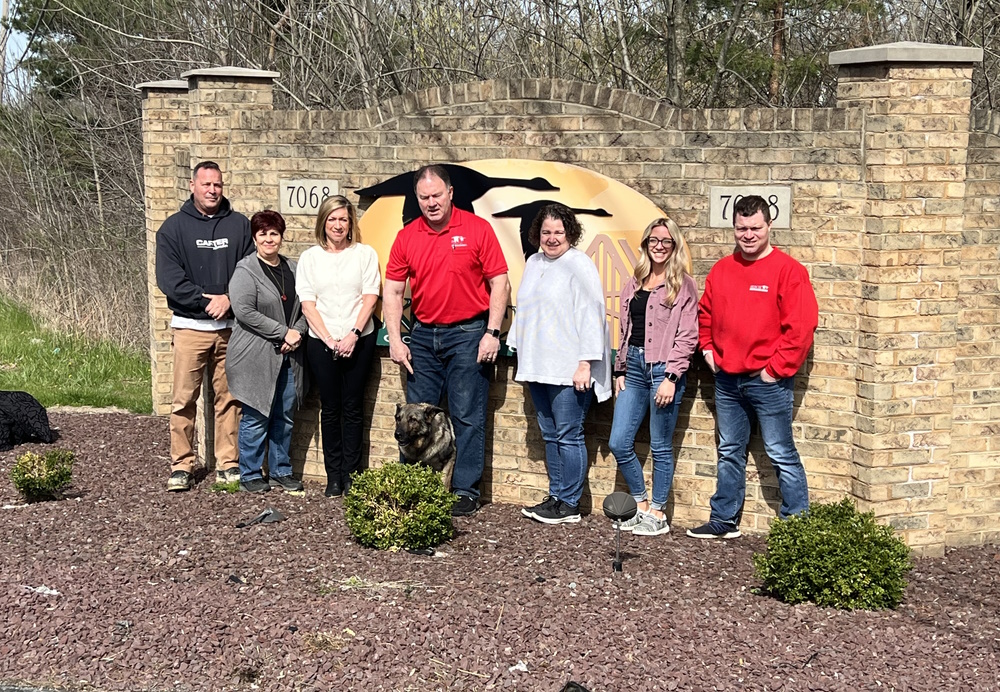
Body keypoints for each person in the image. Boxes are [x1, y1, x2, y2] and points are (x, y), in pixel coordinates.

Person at [688, 195, 819, 539]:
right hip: (728, 379)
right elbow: (705, 315)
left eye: (755, 228)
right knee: (729, 451)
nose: (748, 234)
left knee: (780, 453)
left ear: (769, 226)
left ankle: (797, 530)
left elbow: (802, 327)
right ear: (733, 228)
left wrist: (775, 370)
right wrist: (708, 351)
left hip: (768, 382)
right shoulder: (722, 269)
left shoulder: (788, 271)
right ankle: (723, 520)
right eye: (741, 228)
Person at [384, 165, 511, 516]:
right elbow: (393, 291)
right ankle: (416, 488)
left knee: (468, 416)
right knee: (413, 417)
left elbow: (500, 282)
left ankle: (465, 491)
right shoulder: (407, 236)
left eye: (436, 195)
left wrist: (492, 332)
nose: (431, 203)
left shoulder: (477, 229)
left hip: (469, 334)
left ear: (450, 193)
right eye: (423, 197)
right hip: (423, 336)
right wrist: (396, 339)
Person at [508, 204, 611, 525]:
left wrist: (586, 363)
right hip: (539, 365)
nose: (552, 239)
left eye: (558, 233)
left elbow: (593, 315)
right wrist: (515, 345)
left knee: (568, 435)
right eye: (546, 233)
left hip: (570, 369)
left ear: (570, 234)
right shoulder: (533, 262)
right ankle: (556, 496)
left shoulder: (579, 265)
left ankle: (569, 503)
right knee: (550, 435)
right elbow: (525, 311)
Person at [155, 161, 253, 492]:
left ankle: (228, 463)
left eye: (218, 185)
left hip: (231, 330)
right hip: (189, 329)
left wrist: (229, 298)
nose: (212, 190)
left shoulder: (240, 226)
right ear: (192, 186)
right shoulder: (173, 229)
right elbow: (169, 280)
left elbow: (249, 271)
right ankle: (182, 465)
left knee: (230, 399)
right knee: (184, 399)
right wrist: (205, 300)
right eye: (206, 184)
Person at [608, 217, 698, 536]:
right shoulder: (635, 281)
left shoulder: (683, 285)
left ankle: (658, 514)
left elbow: (687, 335)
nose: (659, 247)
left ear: (674, 246)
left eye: (666, 242)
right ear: (646, 244)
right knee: (619, 441)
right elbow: (624, 328)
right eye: (653, 241)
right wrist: (619, 368)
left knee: (660, 445)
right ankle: (642, 504)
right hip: (632, 368)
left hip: (663, 369)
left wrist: (672, 377)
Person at [297, 196, 380, 497]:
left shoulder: (365, 254)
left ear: (350, 223)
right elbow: (308, 305)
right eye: (332, 219)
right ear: (323, 222)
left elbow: (370, 297)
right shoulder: (310, 258)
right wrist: (330, 339)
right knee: (330, 409)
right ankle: (334, 477)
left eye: (343, 219)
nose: (338, 225)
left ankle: (353, 475)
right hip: (322, 342)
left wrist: (353, 334)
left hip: (359, 338)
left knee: (353, 408)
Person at [225, 211, 307, 493]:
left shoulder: (295, 269)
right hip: (254, 357)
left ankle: (281, 470)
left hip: (289, 355)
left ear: (281, 236)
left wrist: (296, 333)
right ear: (255, 238)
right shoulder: (245, 271)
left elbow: (307, 305)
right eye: (263, 234)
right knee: (257, 414)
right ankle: (250, 473)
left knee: (284, 416)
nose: (269, 239)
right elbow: (244, 311)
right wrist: (283, 332)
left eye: (274, 233)